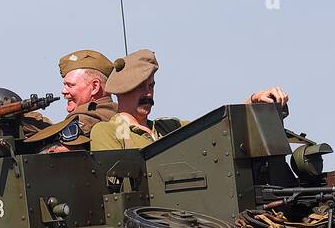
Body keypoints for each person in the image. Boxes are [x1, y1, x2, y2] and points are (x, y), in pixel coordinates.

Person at [91, 49, 291, 151]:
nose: (149, 94)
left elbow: (216, 127)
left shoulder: (168, 127)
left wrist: (253, 102)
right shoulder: (108, 131)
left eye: (151, 86)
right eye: (141, 87)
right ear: (122, 89)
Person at [26, 49, 120, 152]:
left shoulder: (94, 116)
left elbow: (67, 132)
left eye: (70, 85)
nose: (63, 91)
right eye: (64, 85)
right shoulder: (113, 114)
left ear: (95, 87)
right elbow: (56, 129)